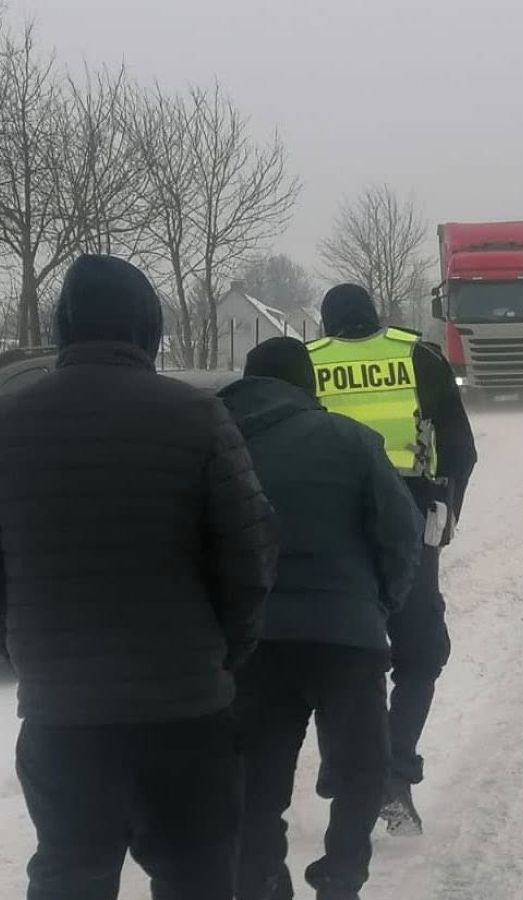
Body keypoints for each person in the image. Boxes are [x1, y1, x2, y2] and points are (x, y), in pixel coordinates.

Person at [0, 255, 277, 900]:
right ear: (147, 326)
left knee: (70, 874)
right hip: (185, 707)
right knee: (196, 875)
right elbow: (250, 555)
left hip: (63, 712)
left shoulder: (7, 425)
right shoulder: (198, 416)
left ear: (64, 326)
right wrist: (224, 653)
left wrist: (22, 655)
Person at [222, 339, 423, 900]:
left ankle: (261, 882)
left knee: (257, 781)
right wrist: (380, 603)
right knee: (362, 769)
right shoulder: (351, 440)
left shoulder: (220, 445)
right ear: (308, 385)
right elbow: (401, 533)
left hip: (255, 642)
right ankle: (341, 876)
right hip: (348, 638)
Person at [309, 284, 476, 834]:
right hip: (408, 520)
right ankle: (393, 772)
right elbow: (461, 448)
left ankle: (345, 767)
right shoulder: (417, 356)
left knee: (341, 652)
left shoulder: (309, 364)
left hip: (332, 527)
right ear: (375, 317)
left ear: (327, 324)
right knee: (420, 652)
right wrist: (444, 514)